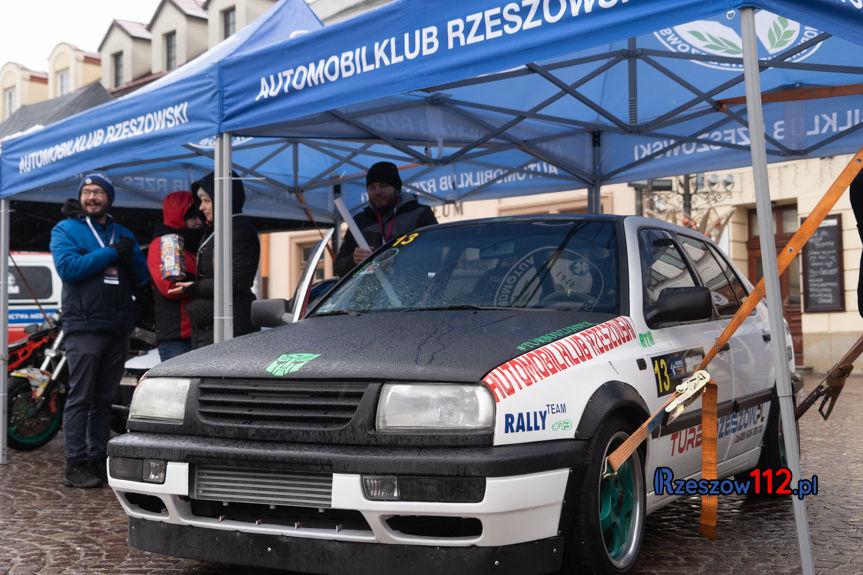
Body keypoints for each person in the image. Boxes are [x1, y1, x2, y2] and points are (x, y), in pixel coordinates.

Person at [49, 173, 148, 488]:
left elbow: (142, 278)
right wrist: (111, 253)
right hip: (84, 325)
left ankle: (97, 459)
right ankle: (75, 463)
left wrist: (129, 257)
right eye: (87, 192)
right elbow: (69, 269)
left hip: (117, 325)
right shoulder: (66, 229)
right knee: (81, 396)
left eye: (98, 192)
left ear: (109, 198)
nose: (92, 197)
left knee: (104, 398)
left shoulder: (124, 233)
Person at [169, 171, 260, 349]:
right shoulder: (218, 228)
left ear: (224, 199)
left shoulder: (239, 230)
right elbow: (214, 276)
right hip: (212, 325)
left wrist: (194, 287)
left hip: (229, 326)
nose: (201, 207)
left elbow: (237, 280)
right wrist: (188, 280)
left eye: (207, 201)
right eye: (200, 200)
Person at [334, 161, 438, 277]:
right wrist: (353, 260)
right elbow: (339, 268)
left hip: (411, 286)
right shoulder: (359, 221)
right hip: (370, 288)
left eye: (383, 185)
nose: (377, 192)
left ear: (396, 188)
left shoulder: (420, 213)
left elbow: (435, 255)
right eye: (372, 187)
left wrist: (396, 261)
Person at [147, 191, 203, 361]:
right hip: (177, 336)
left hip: (196, 332)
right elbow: (170, 287)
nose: (198, 222)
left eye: (199, 217)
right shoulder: (164, 244)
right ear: (177, 217)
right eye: (192, 217)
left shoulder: (194, 245)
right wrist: (204, 284)